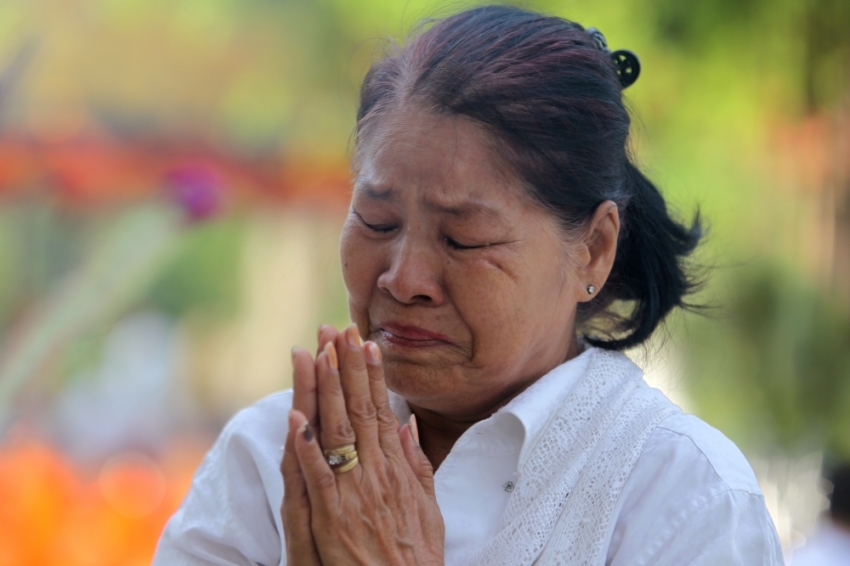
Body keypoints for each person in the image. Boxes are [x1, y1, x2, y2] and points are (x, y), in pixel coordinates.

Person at [154, 5, 784, 565]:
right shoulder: (270, 456)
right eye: (377, 221)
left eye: (464, 240)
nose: (404, 280)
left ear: (592, 250)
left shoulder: (683, 497)